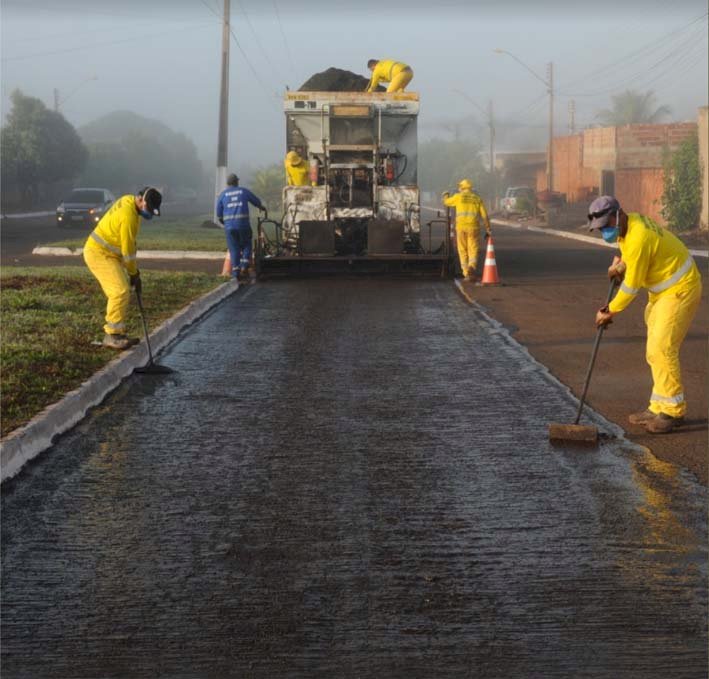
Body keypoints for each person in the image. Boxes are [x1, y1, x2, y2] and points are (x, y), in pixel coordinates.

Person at [590, 195, 702, 434]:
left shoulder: (639, 237)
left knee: (663, 347)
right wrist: (619, 265)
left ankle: (673, 411)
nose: (605, 233)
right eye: (600, 230)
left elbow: (630, 287)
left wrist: (608, 311)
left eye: (606, 227)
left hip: (680, 288)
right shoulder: (630, 225)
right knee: (654, 350)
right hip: (662, 291)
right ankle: (659, 405)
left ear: (617, 215)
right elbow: (628, 255)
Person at [83, 186, 162, 350]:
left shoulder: (129, 201)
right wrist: (134, 273)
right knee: (120, 291)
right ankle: (111, 335)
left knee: (121, 291)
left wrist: (134, 272)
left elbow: (129, 244)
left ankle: (118, 333)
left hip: (109, 254)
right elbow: (128, 252)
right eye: (148, 208)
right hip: (98, 253)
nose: (148, 212)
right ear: (140, 199)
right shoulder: (129, 216)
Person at [216, 173, 264, 281]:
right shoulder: (243, 191)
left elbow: (219, 214)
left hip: (229, 227)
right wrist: (261, 207)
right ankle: (244, 266)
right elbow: (256, 201)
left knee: (234, 249)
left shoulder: (223, 194)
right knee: (246, 244)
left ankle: (236, 272)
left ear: (228, 183)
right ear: (237, 182)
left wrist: (225, 223)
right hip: (243, 225)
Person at [443, 179, 491, 281]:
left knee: (462, 250)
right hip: (473, 228)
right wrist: (488, 228)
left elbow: (446, 202)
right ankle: (472, 267)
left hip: (460, 228)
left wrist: (445, 195)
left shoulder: (458, 197)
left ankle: (466, 273)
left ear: (462, 187)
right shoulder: (477, 198)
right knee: (473, 249)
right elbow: (484, 215)